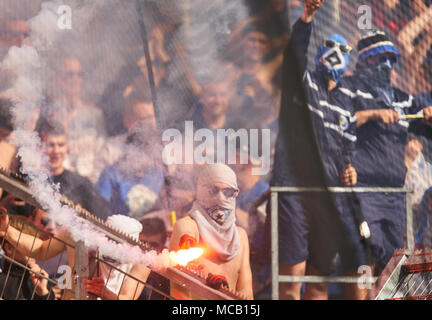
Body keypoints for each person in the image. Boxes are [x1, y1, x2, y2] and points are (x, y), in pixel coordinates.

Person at [267, 0, 362, 300]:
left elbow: (347, 151)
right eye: (331, 49)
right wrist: (307, 17)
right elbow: (294, 55)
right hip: (294, 195)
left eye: (344, 50)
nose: (336, 55)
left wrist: (350, 170)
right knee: (291, 288)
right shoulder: (303, 84)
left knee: (319, 287)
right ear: (320, 55)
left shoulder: (347, 103)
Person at [342, 29, 432, 293]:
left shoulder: (403, 99)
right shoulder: (348, 90)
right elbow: (334, 122)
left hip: (395, 196)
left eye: (390, 58)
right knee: (362, 262)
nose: (386, 64)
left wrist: (428, 115)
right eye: (378, 57)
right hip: (362, 193)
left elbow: (425, 126)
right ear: (365, 60)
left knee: (394, 265)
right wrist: (372, 115)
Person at [169, 163, 253, 300]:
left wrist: (223, 295)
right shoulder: (187, 227)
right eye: (213, 190)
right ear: (201, 190)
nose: (220, 198)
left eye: (227, 192)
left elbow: (247, 293)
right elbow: (179, 293)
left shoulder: (240, 237)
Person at [43, 56, 106, 183]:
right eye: (69, 75)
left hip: (91, 184)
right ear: (57, 79)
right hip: (58, 184)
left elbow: (102, 154)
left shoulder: (95, 114)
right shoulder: (46, 115)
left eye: (80, 74)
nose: (75, 79)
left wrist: (90, 188)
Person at [35, 119, 109, 221]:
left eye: (61, 145)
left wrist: (85, 219)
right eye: (50, 145)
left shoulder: (82, 185)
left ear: (67, 147)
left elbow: (102, 223)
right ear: (39, 146)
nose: (56, 151)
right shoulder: (29, 179)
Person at [83, 215, 151, 300]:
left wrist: (104, 292)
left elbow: (127, 297)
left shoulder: (142, 263)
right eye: (111, 242)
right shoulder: (93, 246)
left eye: (120, 244)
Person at [138, 217, 170, 300]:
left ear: (163, 247)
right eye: (143, 243)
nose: (147, 249)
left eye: (153, 245)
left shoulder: (167, 271)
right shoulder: (125, 262)